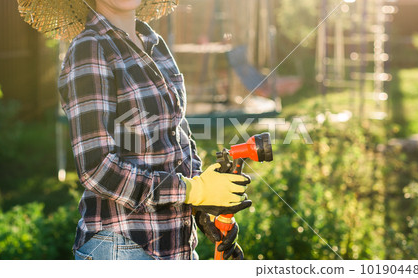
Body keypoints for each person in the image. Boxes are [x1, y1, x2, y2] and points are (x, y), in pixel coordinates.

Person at [18, 0, 252, 259]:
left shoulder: (155, 44)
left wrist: (202, 207)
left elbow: (174, 137)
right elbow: (97, 169)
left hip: (177, 248)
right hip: (122, 248)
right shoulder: (90, 48)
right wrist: (192, 190)